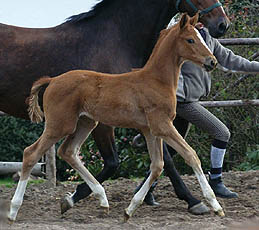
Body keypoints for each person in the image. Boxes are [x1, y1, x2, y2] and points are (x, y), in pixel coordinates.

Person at [135, 22, 259, 205]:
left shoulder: (208, 39)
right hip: (183, 102)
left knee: (170, 148)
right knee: (221, 132)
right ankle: (216, 181)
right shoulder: (181, 38)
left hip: (190, 99)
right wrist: (175, 94)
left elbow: (231, 60)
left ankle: (146, 188)